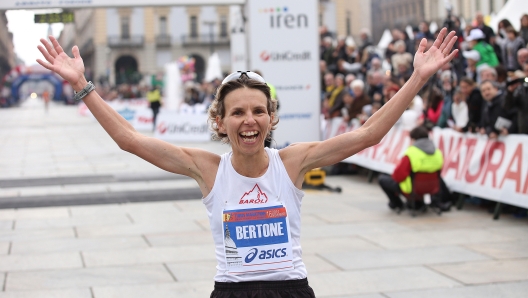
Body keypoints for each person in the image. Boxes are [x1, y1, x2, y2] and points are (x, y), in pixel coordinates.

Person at [37, 28, 457, 297]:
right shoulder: (208, 169)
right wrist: (83, 86)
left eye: (258, 110)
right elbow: (129, 139)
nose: (249, 120)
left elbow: (368, 134)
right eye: (237, 112)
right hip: (233, 290)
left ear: (271, 117)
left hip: (291, 288)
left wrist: (418, 78)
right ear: (220, 121)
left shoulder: (292, 162)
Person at [378, 126, 444, 211]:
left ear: (414, 139)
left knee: (382, 179)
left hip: (411, 189)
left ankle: (397, 204)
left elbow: (398, 176)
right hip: (432, 188)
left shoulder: (411, 152)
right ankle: (418, 203)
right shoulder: (438, 153)